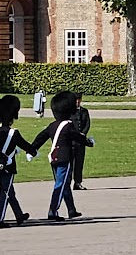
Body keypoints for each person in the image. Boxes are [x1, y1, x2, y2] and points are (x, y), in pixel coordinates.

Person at [29, 90, 93, 221]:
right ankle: (53, 211)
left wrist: (32, 149)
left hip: (53, 157)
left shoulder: (52, 125)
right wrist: (89, 142)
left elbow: (41, 137)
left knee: (63, 184)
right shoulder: (68, 125)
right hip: (64, 158)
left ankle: (71, 209)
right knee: (61, 184)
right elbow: (78, 137)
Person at [0, 93, 36, 227]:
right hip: (8, 165)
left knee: (8, 189)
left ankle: (19, 214)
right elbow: (25, 145)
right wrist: (33, 151)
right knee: (5, 192)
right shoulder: (14, 133)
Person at [70, 90, 92, 190]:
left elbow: (87, 123)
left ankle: (77, 182)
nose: (77, 102)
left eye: (79, 100)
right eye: (76, 100)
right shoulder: (69, 111)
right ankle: (67, 182)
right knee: (69, 163)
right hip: (71, 141)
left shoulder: (84, 111)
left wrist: (83, 133)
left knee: (79, 163)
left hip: (81, 141)